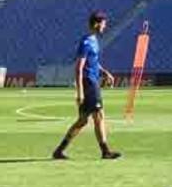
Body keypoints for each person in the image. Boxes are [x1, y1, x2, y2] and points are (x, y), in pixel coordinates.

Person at [52, 11, 121, 160]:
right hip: (89, 83)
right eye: (103, 23)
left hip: (93, 80)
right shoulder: (86, 42)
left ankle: (59, 151)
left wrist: (104, 72)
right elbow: (79, 67)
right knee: (99, 115)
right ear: (96, 24)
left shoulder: (94, 40)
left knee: (83, 120)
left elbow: (93, 62)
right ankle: (105, 151)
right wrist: (80, 92)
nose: (105, 26)